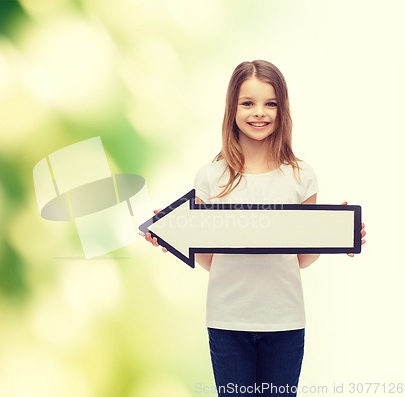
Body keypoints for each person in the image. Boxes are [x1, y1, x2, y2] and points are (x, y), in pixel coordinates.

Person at [139, 60, 366, 396]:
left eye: (270, 103)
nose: (259, 113)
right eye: (248, 103)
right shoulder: (211, 177)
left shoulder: (301, 176)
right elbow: (210, 259)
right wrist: (173, 236)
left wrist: (336, 233)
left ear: (282, 109)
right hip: (227, 321)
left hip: (285, 320)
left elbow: (302, 258)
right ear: (232, 108)